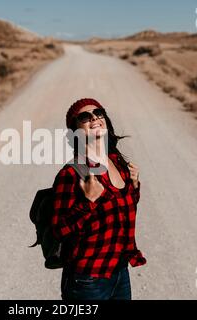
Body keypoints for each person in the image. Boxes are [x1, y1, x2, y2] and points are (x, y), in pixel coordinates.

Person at [51, 98, 146, 300]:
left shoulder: (117, 162)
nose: (94, 118)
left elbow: (124, 210)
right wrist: (87, 203)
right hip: (87, 280)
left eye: (98, 112)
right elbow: (58, 230)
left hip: (120, 272)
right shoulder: (71, 173)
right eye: (85, 117)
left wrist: (134, 187)